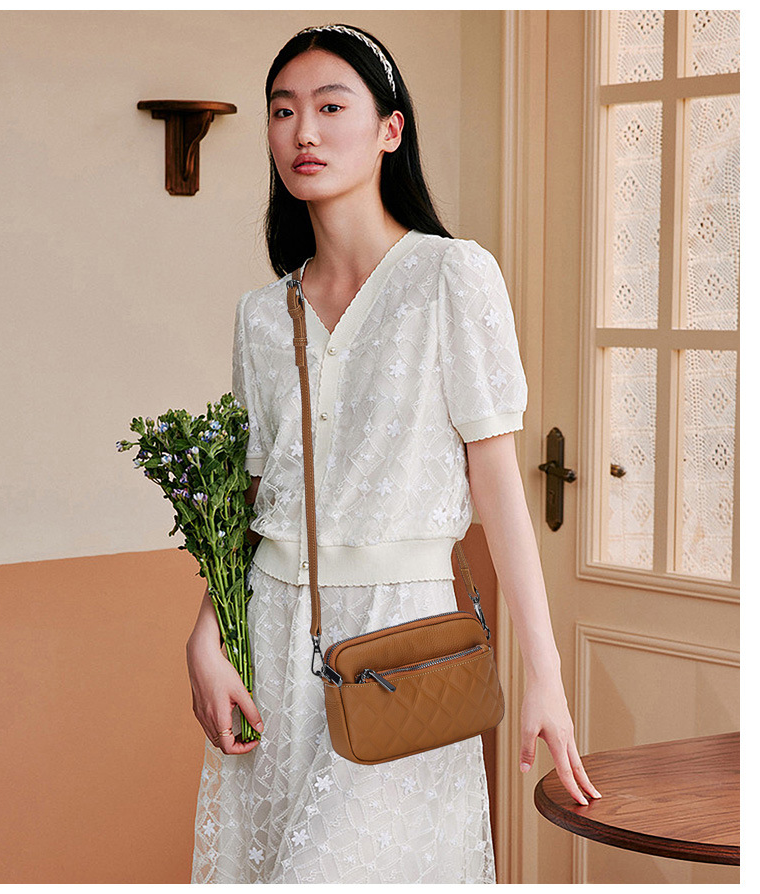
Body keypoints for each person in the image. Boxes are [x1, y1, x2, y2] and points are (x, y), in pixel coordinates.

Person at [187, 22, 601, 884]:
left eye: (331, 107)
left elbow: (498, 487)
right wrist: (205, 636)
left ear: (389, 128)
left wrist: (546, 675)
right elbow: (256, 497)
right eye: (283, 111)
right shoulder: (261, 315)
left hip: (402, 645)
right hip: (270, 636)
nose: (304, 132)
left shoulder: (453, 277)